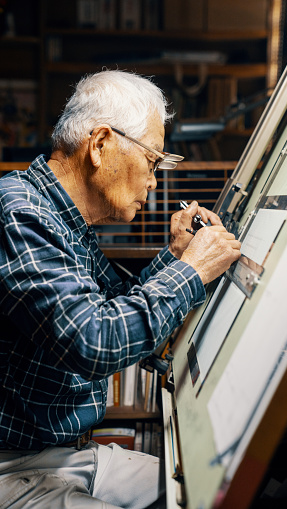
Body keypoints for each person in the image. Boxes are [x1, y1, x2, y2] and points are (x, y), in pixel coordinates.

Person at [0, 70, 241, 508]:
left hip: (54, 455)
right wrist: (190, 271)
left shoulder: (66, 219)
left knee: (211, 494)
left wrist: (176, 255)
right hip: (10, 466)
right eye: (152, 161)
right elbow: (94, 341)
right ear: (100, 144)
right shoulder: (17, 211)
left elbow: (117, 309)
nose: (153, 181)